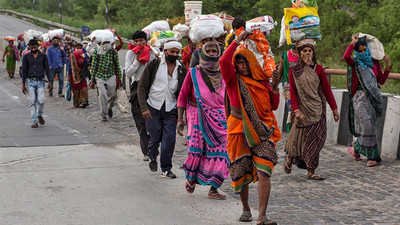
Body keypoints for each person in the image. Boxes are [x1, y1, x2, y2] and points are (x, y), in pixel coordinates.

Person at [220, 31, 281, 225]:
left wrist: (276, 87)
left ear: (252, 63)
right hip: (238, 129)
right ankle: (246, 209)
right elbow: (223, 61)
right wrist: (237, 40)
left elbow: (273, 106)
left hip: (263, 130)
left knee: (265, 170)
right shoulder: (232, 80)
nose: (242, 66)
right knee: (241, 171)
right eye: (239, 63)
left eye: (245, 62)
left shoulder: (262, 81)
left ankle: (262, 216)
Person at [177, 41, 230, 199]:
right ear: (203, 53)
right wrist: (180, 119)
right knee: (198, 150)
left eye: (215, 51)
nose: (213, 53)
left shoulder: (224, 73)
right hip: (196, 114)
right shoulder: (193, 72)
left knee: (223, 151)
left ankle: (213, 188)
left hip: (220, 117)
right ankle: (191, 178)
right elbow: (182, 96)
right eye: (210, 50)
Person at [284, 40, 340, 180]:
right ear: (300, 53)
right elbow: (293, 91)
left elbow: (326, 90)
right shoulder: (294, 69)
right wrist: (296, 110)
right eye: (305, 51)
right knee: (298, 138)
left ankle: (311, 169)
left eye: (310, 51)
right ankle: (292, 159)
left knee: (317, 138)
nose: (308, 53)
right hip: (301, 108)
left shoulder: (319, 69)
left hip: (317, 108)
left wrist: (334, 108)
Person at [137, 40, 187, 179]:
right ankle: (152, 156)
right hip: (153, 107)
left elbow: (184, 91)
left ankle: (166, 168)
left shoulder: (181, 69)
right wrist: (144, 108)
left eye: (177, 52)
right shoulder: (154, 65)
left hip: (171, 108)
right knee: (155, 137)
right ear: (165, 51)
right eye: (172, 52)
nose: (175, 54)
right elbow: (142, 86)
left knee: (169, 139)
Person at [344, 35, 391, 167]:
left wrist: (387, 65)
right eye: (360, 51)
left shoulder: (374, 63)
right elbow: (346, 57)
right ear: (356, 51)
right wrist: (351, 44)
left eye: (365, 50)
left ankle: (356, 147)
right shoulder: (355, 63)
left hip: (373, 98)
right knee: (367, 124)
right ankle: (373, 156)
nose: (363, 53)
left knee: (370, 125)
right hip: (359, 96)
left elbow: (380, 80)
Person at [125, 30, 156, 161]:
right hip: (137, 87)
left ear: (145, 40)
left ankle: (154, 145)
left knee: (153, 119)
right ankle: (146, 150)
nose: (139, 43)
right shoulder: (130, 54)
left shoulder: (152, 52)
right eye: (136, 41)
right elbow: (128, 73)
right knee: (140, 121)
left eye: (141, 41)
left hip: (152, 87)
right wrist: (137, 60)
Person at [89, 36, 122, 122]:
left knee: (113, 95)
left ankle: (109, 108)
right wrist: (92, 79)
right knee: (102, 94)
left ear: (111, 44)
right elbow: (94, 66)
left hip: (110, 75)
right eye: (104, 42)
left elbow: (117, 66)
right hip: (99, 76)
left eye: (108, 42)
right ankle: (103, 114)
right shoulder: (97, 52)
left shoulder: (114, 52)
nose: (106, 44)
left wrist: (119, 78)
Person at [21, 39, 51, 128]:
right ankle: (34, 121)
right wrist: (23, 84)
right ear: (29, 47)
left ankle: (39, 114)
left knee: (41, 101)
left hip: (41, 81)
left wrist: (50, 81)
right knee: (32, 101)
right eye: (31, 47)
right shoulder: (26, 56)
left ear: (38, 47)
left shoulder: (43, 56)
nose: (33, 49)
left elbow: (47, 69)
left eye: (35, 47)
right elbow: (24, 70)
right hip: (30, 82)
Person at [276, 44, 300, 132]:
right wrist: (274, 88)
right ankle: (293, 132)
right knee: (293, 110)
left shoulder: (306, 54)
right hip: (288, 87)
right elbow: (280, 73)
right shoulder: (285, 55)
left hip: (302, 87)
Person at [68, 43, 89, 108]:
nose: (78, 49)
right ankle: (77, 102)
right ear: (75, 48)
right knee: (75, 89)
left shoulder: (84, 55)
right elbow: (69, 66)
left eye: (80, 48)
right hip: (74, 76)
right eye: (77, 48)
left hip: (82, 74)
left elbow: (86, 64)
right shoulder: (72, 56)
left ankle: (83, 102)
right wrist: (69, 75)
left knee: (83, 88)